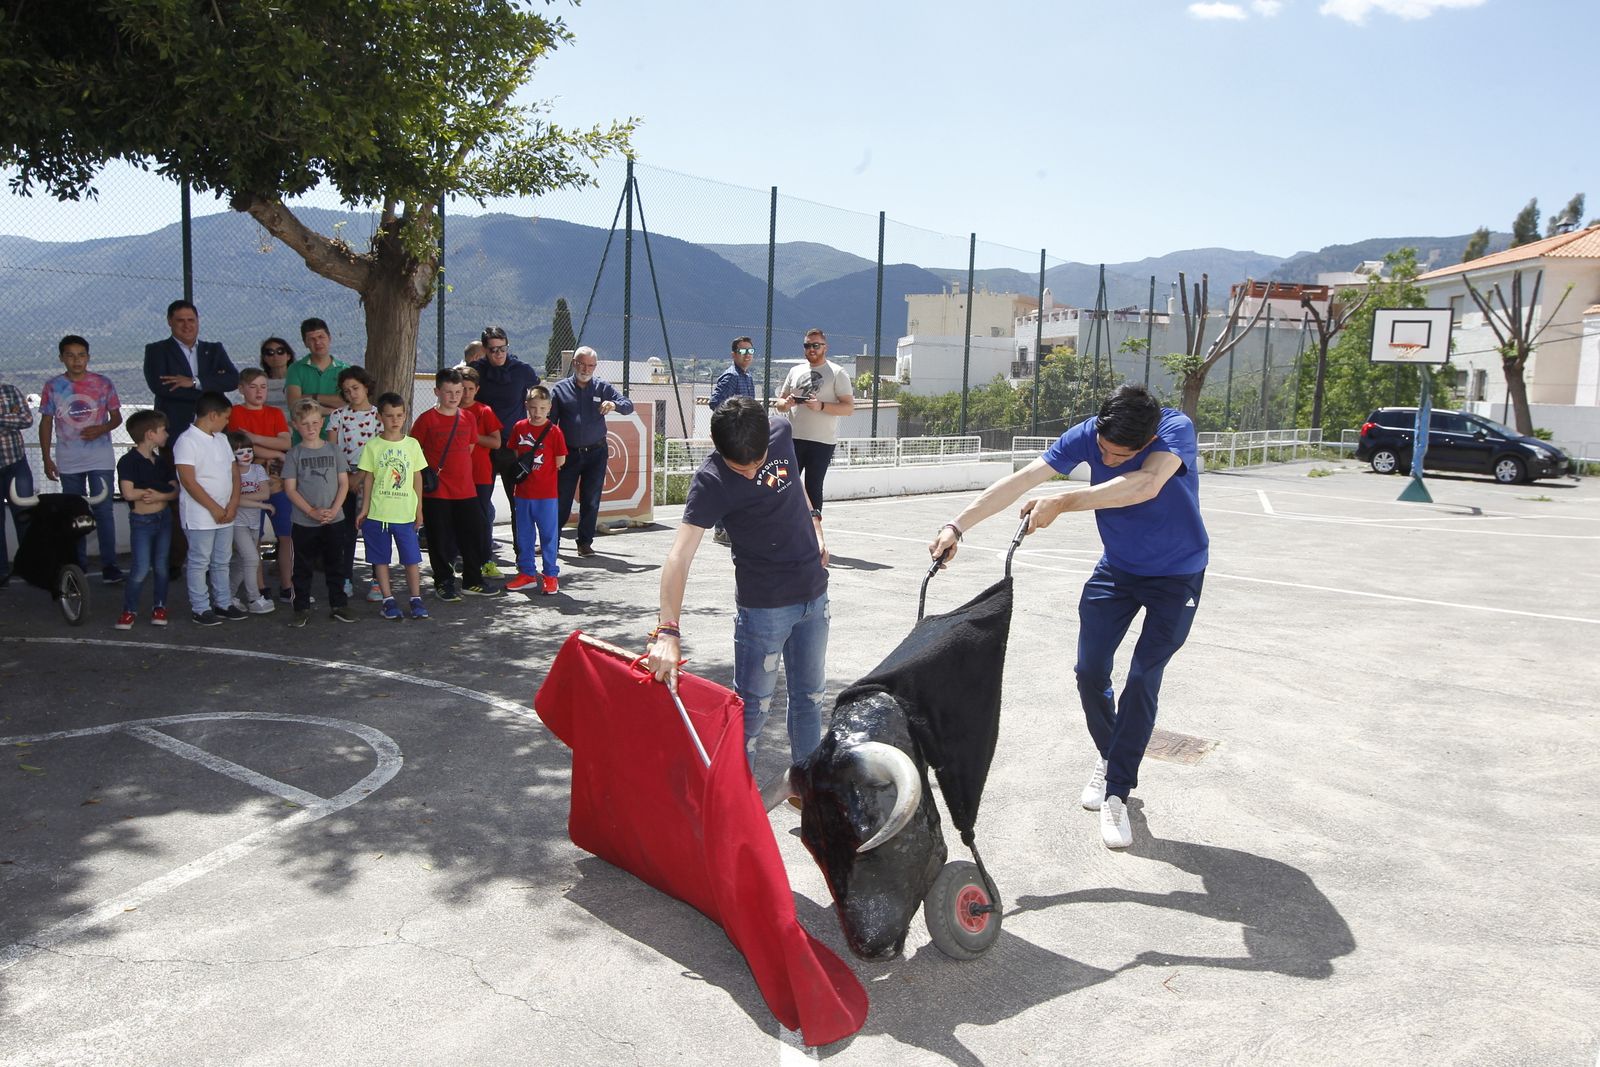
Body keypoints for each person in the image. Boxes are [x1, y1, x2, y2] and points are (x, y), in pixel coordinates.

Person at [927, 383, 1208, 850]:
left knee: (1142, 677)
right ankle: (1111, 752)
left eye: (1120, 456)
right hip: (1117, 571)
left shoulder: (1174, 429)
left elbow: (1146, 484)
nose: (1108, 459)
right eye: (1104, 451)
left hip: (1177, 577)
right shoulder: (1089, 435)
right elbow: (1023, 480)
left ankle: (1117, 791)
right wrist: (958, 525)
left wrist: (1064, 501)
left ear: (1146, 440)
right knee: (1088, 670)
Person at [646, 396, 830, 769]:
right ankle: (731, 804)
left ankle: (809, 795)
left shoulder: (780, 431)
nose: (749, 474)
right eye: (738, 467)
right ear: (718, 448)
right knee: (750, 712)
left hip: (814, 592)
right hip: (764, 609)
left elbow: (795, 480)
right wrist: (667, 631)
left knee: (810, 698)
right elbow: (679, 556)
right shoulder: (710, 482)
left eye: (757, 464)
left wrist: (814, 521)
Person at [39, 334, 123, 582]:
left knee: (104, 511)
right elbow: (45, 423)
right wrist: (46, 458)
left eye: (81, 355)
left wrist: (102, 428)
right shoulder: (53, 386)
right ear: (62, 358)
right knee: (74, 512)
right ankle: (78, 565)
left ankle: (110, 566)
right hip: (68, 458)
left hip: (100, 457)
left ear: (88, 357)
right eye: (70, 355)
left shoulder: (103, 383)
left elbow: (116, 417)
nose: (76, 360)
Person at [412, 368, 499, 600]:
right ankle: (443, 582)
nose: (453, 396)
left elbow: (469, 449)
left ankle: (472, 581)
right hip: (437, 490)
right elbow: (413, 450)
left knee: (474, 533)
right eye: (448, 392)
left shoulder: (468, 418)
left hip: (466, 489)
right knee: (440, 539)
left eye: (458, 392)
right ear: (437, 391)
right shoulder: (426, 419)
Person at [550, 346, 633, 557]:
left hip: (596, 452)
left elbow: (628, 405)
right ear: (574, 364)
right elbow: (550, 425)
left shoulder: (602, 388)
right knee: (561, 499)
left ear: (595, 367)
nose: (586, 369)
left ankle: (585, 542)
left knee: (591, 499)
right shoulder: (559, 390)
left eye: (590, 365)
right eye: (581, 364)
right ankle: (552, 541)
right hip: (567, 454)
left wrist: (613, 404)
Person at [355, 392, 429, 621]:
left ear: (405, 416)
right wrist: (365, 508)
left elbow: (417, 478)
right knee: (381, 560)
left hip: (405, 514)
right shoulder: (373, 446)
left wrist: (419, 510)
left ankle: (416, 599)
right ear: (380, 417)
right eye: (389, 416)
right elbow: (368, 479)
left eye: (399, 415)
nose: (395, 420)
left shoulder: (412, 445)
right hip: (378, 514)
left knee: (411, 559)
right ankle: (387, 600)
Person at [467, 326, 540, 559]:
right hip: (484, 446)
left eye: (503, 348)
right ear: (484, 350)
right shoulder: (475, 372)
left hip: (514, 448)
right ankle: (480, 558)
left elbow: (538, 393)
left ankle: (524, 559)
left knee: (519, 505)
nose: (498, 354)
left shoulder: (522, 371)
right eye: (493, 350)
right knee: (478, 504)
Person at [173, 391, 242, 626]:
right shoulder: (186, 441)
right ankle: (200, 607)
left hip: (225, 512)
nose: (227, 423)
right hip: (200, 515)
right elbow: (189, 481)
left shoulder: (222, 440)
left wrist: (232, 504)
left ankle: (223, 603)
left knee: (222, 560)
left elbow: (234, 473)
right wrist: (214, 508)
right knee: (200, 561)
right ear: (212, 415)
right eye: (225, 418)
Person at [283, 398, 353, 626]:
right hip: (305, 523)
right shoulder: (294, 454)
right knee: (302, 567)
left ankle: (339, 605)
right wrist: (311, 511)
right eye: (305, 424)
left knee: (336, 564)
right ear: (295, 425)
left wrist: (334, 510)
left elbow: (344, 483)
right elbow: (290, 489)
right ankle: (301, 608)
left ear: (322, 422)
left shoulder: (334, 450)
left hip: (334, 520)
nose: (311, 428)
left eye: (315, 423)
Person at [229, 367, 294, 600]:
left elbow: (285, 442)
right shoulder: (235, 412)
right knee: (252, 536)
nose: (259, 392)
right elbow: (243, 448)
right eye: (253, 386)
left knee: (286, 535)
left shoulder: (275, 413)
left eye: (263, 386)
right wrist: (274, 452)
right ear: (242, 389)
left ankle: (288, 586)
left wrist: (254, 438)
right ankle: (258, 586)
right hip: (249, 482)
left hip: (277, 481)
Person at [775, 328, 854, 515]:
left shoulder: (837, 372)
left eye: (816, 345)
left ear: (825, 347)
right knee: (784, 484)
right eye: (807, 345)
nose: (811, 349)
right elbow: (779, 403)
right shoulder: (795, 370)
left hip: (822, 442)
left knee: (813, 486)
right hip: (793, 438)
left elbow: (849, 408)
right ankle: (784, 525)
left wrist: (821, 406)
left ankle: (813, 532)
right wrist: (786, 403)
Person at [114, 410, 177, 629]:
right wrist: (155, 493)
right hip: (142, 521)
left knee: (161, 566)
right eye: (163, 431)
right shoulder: (128, 461)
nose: (167, 434)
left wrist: (160, 495)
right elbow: (128, 493)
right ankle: (129, 610)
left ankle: (159, 606)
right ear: (150, 434)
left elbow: (174, 490)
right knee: (140, 568)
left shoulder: (160, 462)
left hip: (164, 518)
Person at [143, 300, 240, 439]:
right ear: (170, 321)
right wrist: (212, 388)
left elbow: (233, 380)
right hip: (175, 426)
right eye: (180, 320)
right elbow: (160, 387)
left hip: (214, 427)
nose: (187, 325)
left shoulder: (214, 350)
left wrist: (195, 382)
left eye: (191, 320)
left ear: (198, 321)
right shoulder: (157, 351)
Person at [504, 385, 567, 595]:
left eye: (542, 407)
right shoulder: (519, 427)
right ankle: (527, 574)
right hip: (522, 494)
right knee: (524, 536)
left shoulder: (555, 431)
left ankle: (550, 575)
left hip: (547, 495)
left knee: (548, 536)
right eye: (533, 407)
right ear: (526, 407)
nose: (537, 412)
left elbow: (560, 460)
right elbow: (514, 452)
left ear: (549, 407)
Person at [326, 366, 383, 600]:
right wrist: (346, 478)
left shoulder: (379, 415)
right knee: (346, 531)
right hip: (343, 477)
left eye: (355, 388)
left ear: (366, 386)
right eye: (347, 391)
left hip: (372, 477)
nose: (352, 394)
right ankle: (345, 577)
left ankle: (378, 580)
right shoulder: (337, 415)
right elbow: (332, 448)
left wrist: (360, 476)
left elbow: (380, 448)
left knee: (373, 530)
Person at [708, 336, 757, 546]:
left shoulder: (747, 377)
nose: (747, 356)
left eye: (750, 351)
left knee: (739, 484)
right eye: (743, 351)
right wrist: (732, 424)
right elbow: (715, 403)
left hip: (743, 439)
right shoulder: (730, 377)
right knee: (726, 484)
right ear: (734, 354)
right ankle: (720, 530)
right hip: (730, 439)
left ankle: (734, 527)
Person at [458, 365, 504, 578]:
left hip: (480, 475)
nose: (465, 393)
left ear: (477, 389)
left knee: (482, 519)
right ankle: (459, 559)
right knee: (456, 520)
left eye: (470, 388)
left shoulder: (484, 411)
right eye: (462, 388)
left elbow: (496, 442)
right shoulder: (448, 410)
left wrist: (473, 437)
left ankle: (486, 561)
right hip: (454, 475)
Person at [224, 430, 275, 615]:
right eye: (240, 452)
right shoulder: (230, 472)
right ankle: (254, 598)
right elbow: (232, 499)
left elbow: (265, 493)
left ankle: (226, 596)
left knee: (241, 562)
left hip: (254, 523)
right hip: (237, 523)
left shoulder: (258, 470)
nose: (246, 455)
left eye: (249, 450)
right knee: (253, 558)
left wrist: (242, 498)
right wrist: (261, 506)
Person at [284, 317, 348, 439]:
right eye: (312, 339)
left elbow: (346, 402)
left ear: (329, 338)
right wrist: (329, 410)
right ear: (305, 343)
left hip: (338, 438)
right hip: (304, 440)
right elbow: (293, 403)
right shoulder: (295, 369)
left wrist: (311, 397)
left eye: (321, 337)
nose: (317, 342)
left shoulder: (344, 369)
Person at [0, 371, 35, 587]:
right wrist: (9, 418)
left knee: (25, 516)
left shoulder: (10, 391)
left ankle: (30, 567)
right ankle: (1, 572)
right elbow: (18, 420)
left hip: (16, 463)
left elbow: (26, 419)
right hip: (14, 461)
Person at [258, 336, 296, 421]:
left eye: (280, 351)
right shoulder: (259, 383)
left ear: (288, 356)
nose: (275, 355)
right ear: (264, 358)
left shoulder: (299, 380)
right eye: (270, 352)